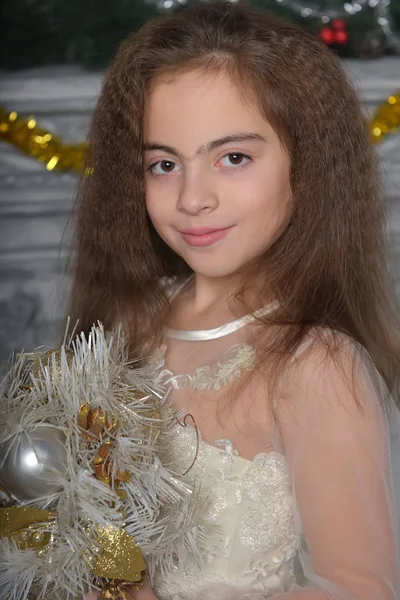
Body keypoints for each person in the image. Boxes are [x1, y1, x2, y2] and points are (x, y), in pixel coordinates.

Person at [75, 1, 400, 598]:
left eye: (233, 158)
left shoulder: (314, 365)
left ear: (307, 168)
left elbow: (361, 589)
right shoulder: (132, 325)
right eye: (165, 163)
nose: (193, 198)